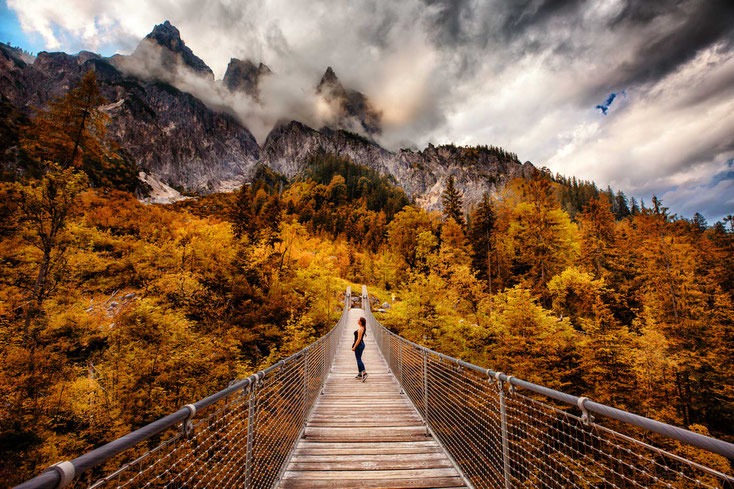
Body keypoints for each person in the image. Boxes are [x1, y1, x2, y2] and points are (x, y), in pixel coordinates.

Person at [352, 317, 368, 381]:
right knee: (358, 359)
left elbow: (358, 339)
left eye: (358, 320)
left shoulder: (361, 329)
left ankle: (364, 373)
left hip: (359, 345)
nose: (357, 320)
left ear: (361, 322)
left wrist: (354, 347)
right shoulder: (361, 328)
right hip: (361, 345)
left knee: (358, 359)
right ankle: (359, 373)